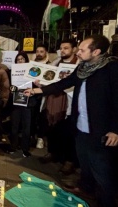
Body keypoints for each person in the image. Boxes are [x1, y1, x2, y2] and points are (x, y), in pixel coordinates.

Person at [24, 34, 118, 207]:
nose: (78, 52)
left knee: (102, 169)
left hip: (102, 129)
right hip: (81, 126)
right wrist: (37, 91)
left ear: (96, 51)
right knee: (85, 162)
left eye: (82, 49)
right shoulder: (83, 67)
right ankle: (86, 188)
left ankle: (106, 202)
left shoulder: (114, 69)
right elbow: (64, 82)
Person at [39, 39, 80, 176]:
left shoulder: (79, 65)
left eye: (66, 48)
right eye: (61, 48)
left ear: (74, 49)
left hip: (68, 102)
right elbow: (47, 79)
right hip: (53, 100)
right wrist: (40, 84)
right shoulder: (55, 63)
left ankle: (69, 161)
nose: (62, 51)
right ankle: (52, 152)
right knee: (52, 128)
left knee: (68, 133)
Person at [8, 52, 39, 158]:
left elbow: (36, 87)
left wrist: (34, 88)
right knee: (14, 127)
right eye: (18, 59)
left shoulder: (32, 72)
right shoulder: (12, 72)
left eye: (22, 59)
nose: (20, 61)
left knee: (27, 128)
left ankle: (25, 149)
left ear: (26, 60)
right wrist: (11, 90)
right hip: (16, 103)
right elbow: (10, 86)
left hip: (28, 103)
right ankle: (13, 146)